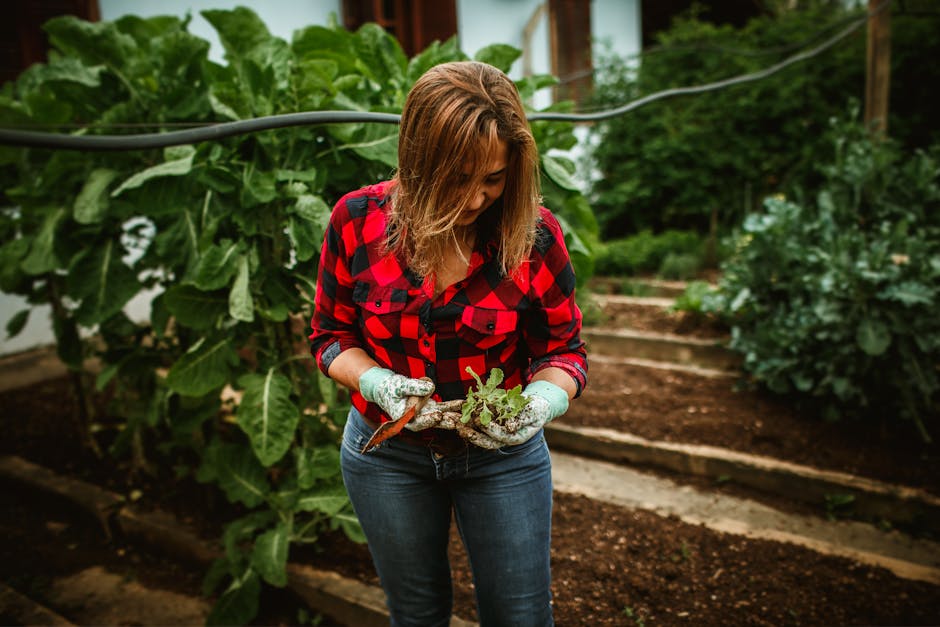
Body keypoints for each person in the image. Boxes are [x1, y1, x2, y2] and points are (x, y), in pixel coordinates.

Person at [309, 60, 587, 627]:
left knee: (521, 615)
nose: (478, 198)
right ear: (418, 160)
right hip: (387, 455)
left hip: (501, 458)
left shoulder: (533, 235)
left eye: (494, 178)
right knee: (417, 613)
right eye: (458, 178)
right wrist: (378, 383)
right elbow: (330, 337)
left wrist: (540, 403)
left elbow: (565, 351)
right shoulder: (357, 220)